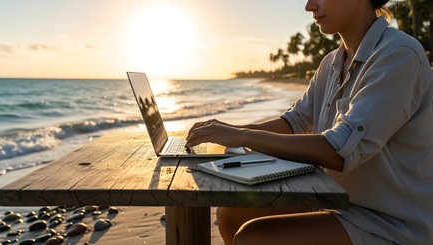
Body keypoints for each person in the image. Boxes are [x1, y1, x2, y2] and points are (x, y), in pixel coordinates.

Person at [185, 0, 433, 244]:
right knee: (230, 214)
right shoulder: (332, 62)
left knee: (254, 238)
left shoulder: (398, 54)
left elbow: (339, 150)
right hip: (339, 202)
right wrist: (227, 131)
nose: (309, 6)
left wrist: (243, 137)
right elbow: (294, 123)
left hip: (390, 224)